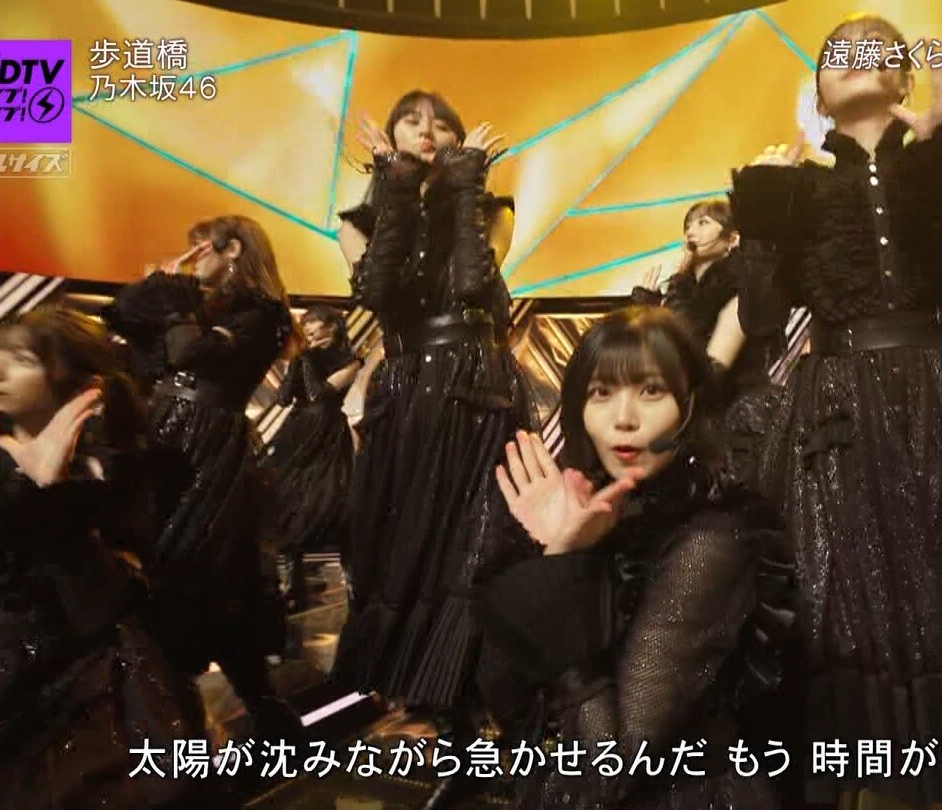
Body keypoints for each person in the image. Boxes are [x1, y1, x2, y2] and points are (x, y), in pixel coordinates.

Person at [717, 13, 942, 807]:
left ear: (905, 79)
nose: (856, 59)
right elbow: (763, 318)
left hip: (933, 395)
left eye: (877, 50)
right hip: (837, 397)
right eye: (837, 54)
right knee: (847, 582)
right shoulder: (798, 189)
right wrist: (762, 222)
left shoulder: (941, 170)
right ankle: (859, 763)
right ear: (818, 93)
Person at [476, 306, 792, 810]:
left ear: (688, 403)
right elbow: (505, 703)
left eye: (651, 391)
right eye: (601, 393)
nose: (623, 418)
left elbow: (614, 768)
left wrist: (562, 580)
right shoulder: (588, 511)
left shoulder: (712, 537)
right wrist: (554, 553)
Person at [329, 90, 536, 806]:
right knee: (410, 553)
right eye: (412, 121)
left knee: (481, 548)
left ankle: (489, 720)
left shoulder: (489, 209)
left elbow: (474, 284)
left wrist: (463, 185)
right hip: (409, 398)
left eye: (441, 123)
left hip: (479, 388)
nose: (427, 131)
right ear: (388, 139)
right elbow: (377, 292)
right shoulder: (357, 222)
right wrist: (396, 192)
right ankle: (446, 726)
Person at [0, 307, 208, 810]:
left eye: (22, 359)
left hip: (82, 685)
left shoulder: (107, 473)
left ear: (79, 384)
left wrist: (50, 496)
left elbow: (102, 598)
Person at [103, 214, 304, 740]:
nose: (193, 262)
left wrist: (176, 306)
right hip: (165, 435)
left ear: (232, 249)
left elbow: (189, 353)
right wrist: (156, 289)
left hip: (207, 449)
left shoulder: (263, 313)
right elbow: (131, 335)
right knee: (160, 566)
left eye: (201, 250)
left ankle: (254, 717)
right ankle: (188, 717)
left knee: (200, 569)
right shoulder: (204, 308)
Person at [631, 199, 785, 489]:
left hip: (732, 425)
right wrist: (646, 311)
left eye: (703, 223)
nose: (691, 231)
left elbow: (711, 371)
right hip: (691, 421)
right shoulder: (681, 293)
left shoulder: (739, 292)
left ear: (732, 239)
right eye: (688, 225)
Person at [262, 305, 361, 610]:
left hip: (326, 433)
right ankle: (292, 584)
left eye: (315, 327)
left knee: (332, 499)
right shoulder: (304, 358)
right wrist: (295, 364)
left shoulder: (349, 361)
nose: (310, 333)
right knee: (287, 498)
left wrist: (304, 361)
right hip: (298, 432)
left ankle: (354, 582)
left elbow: (321, 394)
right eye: (307, 328)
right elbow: (283, 399)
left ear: (332, 327)